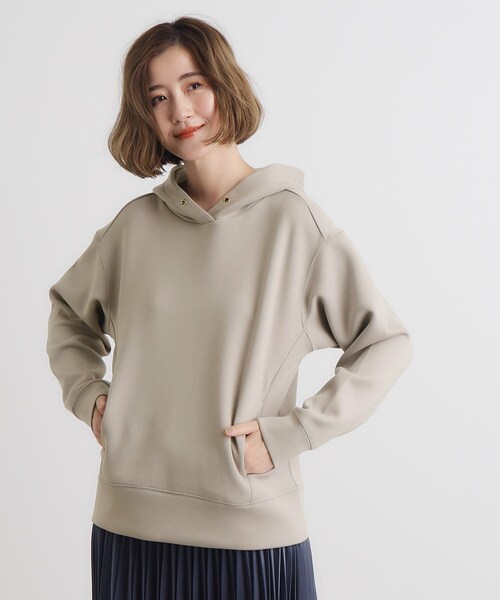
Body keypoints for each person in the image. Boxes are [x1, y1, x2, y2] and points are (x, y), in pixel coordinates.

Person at [45, 15, 413, 600]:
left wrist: (295, 433)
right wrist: (88, 395)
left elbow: (385, 343)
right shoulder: (133, 228)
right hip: (130, 526)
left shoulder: (294, 223)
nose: (180, 111)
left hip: (251, 534)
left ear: (224, 84)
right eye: (158, 97)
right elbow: (68, 311)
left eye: (193, 85)